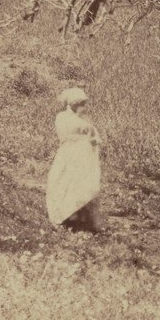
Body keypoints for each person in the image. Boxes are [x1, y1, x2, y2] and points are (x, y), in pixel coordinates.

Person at [46, 86, 104, 234]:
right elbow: (64, 137)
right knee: (66, 182)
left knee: (82, 185)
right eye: (80, 104)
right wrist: (83, 139)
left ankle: (80, 219)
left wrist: (93, 140)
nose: (83, 107)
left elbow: (95, 135)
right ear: (72, 104)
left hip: (84, 157)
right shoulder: (62, 117)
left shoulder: (85, 120)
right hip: (69, 155)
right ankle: (66, 216)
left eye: (83, 104)